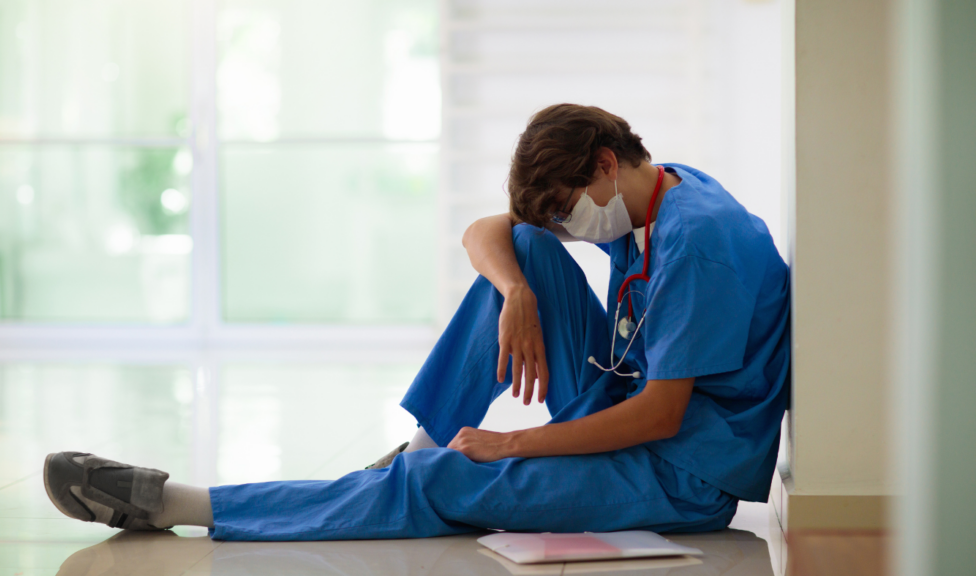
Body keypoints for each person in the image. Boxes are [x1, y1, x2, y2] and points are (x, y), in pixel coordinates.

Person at [43, 104, 789, 540]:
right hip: (622, 397)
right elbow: (487, 234)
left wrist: (511, 444)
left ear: (601, 164)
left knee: (441, 484)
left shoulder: (701, 242)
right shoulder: (661, 189)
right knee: (520, 252)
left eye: (567, 209)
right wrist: (518, 292)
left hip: (681, 472)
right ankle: (422, 449)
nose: (572, 227)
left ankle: (178, 504)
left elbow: (662, 417)